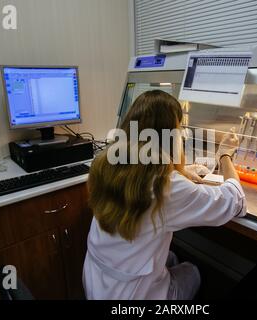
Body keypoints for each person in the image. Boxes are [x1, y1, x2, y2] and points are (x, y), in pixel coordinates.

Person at [83, 90, 246, 300]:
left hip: (97, 282)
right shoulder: (165, 187)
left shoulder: (106, 164)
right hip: (132, 297)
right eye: (179, 129)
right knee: (193, 271)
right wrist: (225, 154)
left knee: (170, 256)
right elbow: (235, 200)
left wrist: (180, 171)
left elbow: (142, 169)